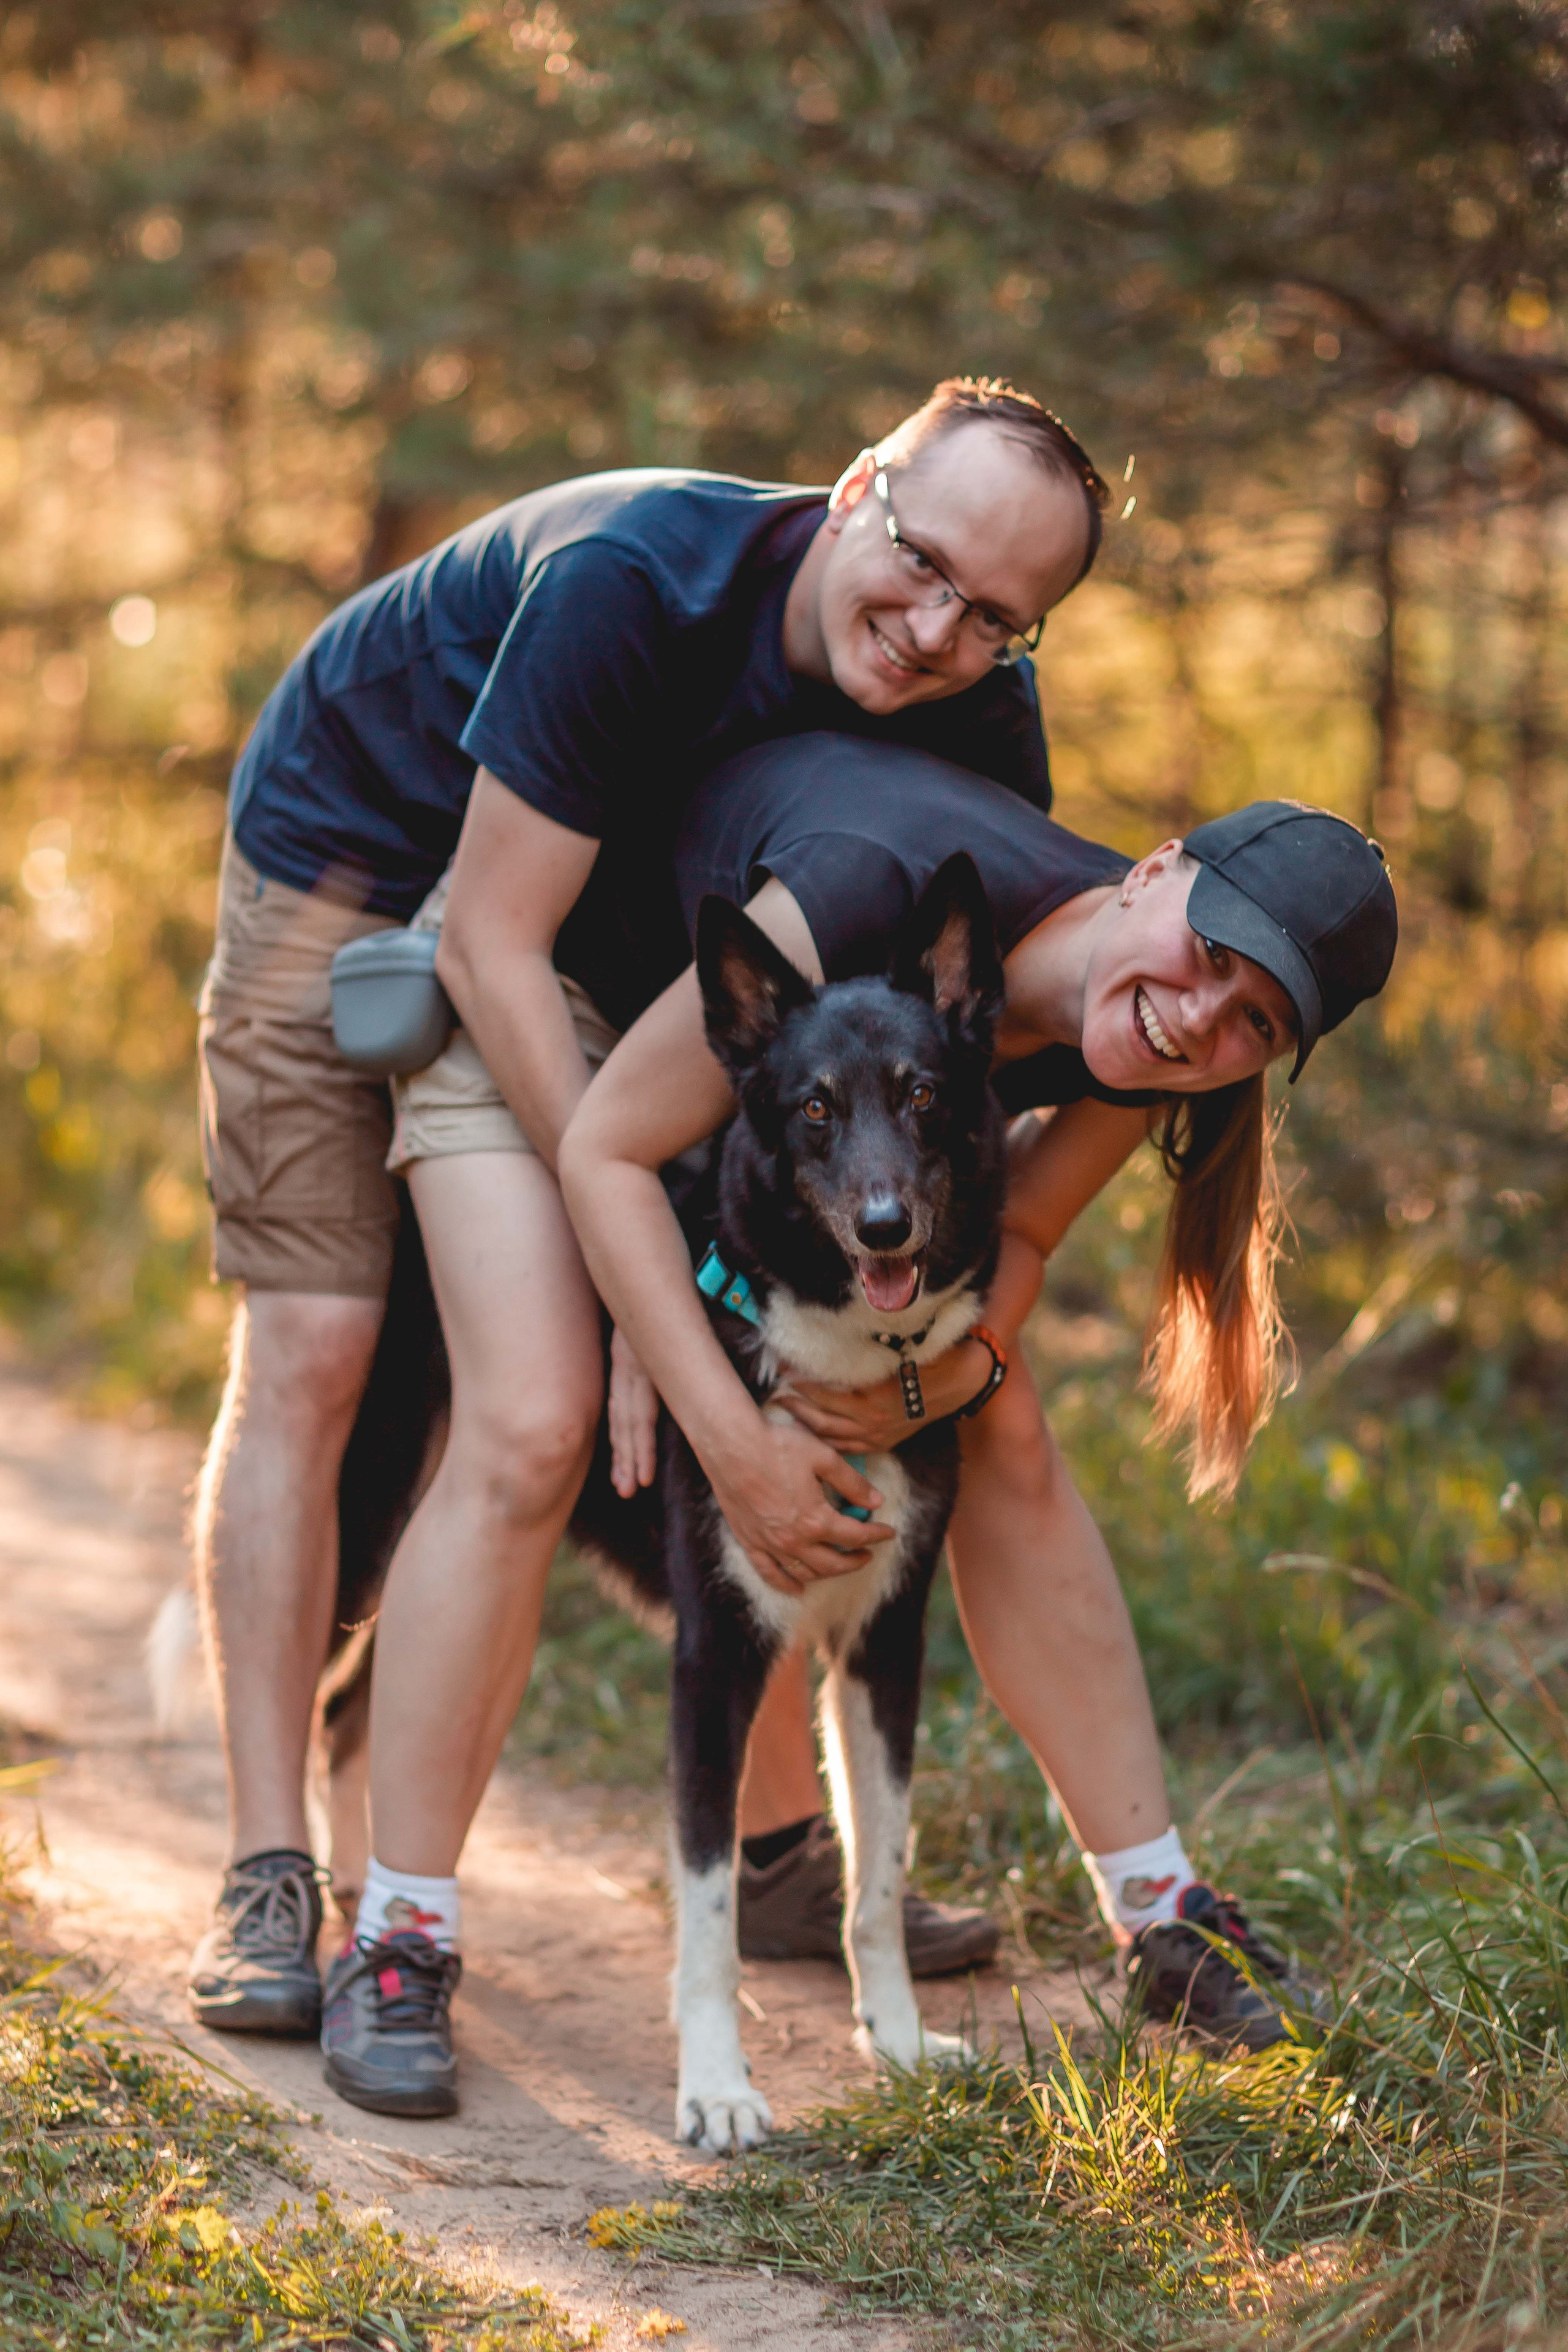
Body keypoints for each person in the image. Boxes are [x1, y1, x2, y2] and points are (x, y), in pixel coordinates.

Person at [186, 378, 1110, 2117]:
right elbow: (489, 944)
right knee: (359, 1362)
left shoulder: (978, 706)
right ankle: (277, 1877)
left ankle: (776, 1852)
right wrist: (642, 1284)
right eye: (920, 568)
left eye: (998, 617)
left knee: (755, 1383)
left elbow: (943, 1037)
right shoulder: (636, 584)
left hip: (649, 972)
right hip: (371, 879)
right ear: (855, 493)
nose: (937, 631)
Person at [556, 736, 1398, 2049]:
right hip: (591, 1013)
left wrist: (935, 1380)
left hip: (784, 1165)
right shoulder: (866, 893)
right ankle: (387, 1893)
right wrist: (720, 1427)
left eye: (1255, 1025)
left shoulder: (1147, 1052)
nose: (1200, 1018)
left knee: (990, 1421)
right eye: (1209, 957)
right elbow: (610, 1143)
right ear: (1155, 870)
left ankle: (1153, 1904)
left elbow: (1017, 1247)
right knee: (529, 1408)